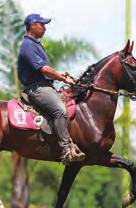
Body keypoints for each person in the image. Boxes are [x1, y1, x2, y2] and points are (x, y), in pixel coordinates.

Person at [17, 13, 85, 164]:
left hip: (45, 86)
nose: (44, 28)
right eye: (42, 24)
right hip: (37, 88)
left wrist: (61, 75)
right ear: (33, 26)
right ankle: (66, 150)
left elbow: (45, 70)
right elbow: (43, 69)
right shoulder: (28, 45)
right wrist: (61, 77)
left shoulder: (35, 44)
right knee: (60, 110)